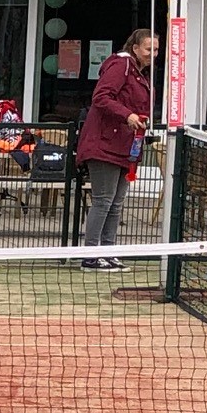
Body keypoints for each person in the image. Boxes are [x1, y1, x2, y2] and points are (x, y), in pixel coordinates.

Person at [76, 28, 157, 270]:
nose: (153, 54)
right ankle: (91, 254)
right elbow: (101, 97)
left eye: (156, 50)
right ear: (135, 48)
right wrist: (128, 115)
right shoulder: (120, 66)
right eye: (148, 49)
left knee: (116, 201)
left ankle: (109, 251)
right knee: (103, 200)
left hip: (126, 146)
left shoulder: (141, 75)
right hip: (104, 144)